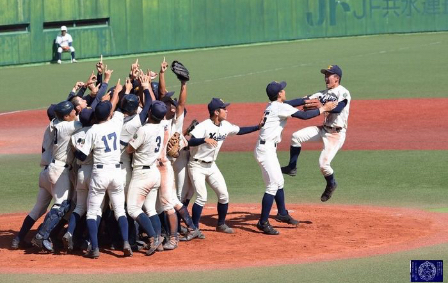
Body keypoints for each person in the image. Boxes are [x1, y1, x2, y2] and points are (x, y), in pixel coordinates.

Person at [254, 81, 336, 235]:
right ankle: (263, 222)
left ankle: (282, 213)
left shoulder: (272, 105)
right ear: (279, 94)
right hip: (266, 150)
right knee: (272, 185)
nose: (284, 91)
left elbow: (291, 103)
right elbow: (304, 116)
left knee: (278, 182)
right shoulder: (280, 107)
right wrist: (323, 109)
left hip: (265, 149)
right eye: (282, 89)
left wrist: (305, 99)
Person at [74, 80, 132, 259]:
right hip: (116, 172)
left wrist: (77, 143)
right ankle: (126, 242)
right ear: (108, 114)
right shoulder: (116, 123)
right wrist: (125, 89)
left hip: (99, 173)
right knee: (120, 210)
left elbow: (82, 156)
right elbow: (120, 107)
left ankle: (95, 248)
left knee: (92, 212)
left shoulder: (92, 130)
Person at [188, 98, 261, 235]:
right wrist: (204, 139)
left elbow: (240, 130)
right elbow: (190, 142)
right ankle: (194, 228)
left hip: (211, 166)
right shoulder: (203, 126)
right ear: (216, 112)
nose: (226, 111)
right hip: (196, 165)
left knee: (223, 195)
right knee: (201, 197)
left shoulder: (225, 125)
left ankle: (220, 224)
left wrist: (257, 127)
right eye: (224, 109)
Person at [281, 65, 351, 202]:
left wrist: (322, 107)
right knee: (296, 137)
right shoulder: (322, 93)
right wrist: (280, 103)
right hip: (323, 129)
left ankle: (331, 183)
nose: (326, 77)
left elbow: (339, 109)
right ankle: (292, 167)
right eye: (325, 75)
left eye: (328, 75)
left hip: (336, 135)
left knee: (323, 165)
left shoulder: (343, 92)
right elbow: (302, 100)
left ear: (336, 78)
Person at [125, 101, 167, 256]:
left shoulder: (143, 130)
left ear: (149, 113)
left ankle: (153, 237)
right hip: (154, 173)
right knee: (150, 208)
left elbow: (130, 149)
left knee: (132, 209)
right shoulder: (161, 128)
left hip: (142, 174)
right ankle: (159, 241)